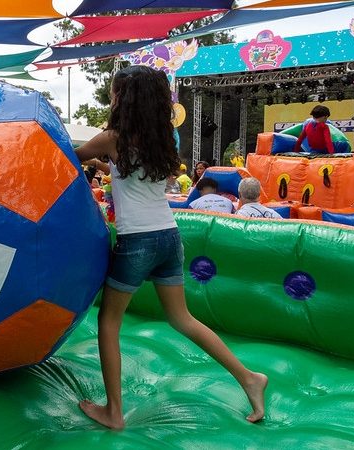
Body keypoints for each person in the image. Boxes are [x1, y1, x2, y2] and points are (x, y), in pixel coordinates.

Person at [75, 65, 267, 430]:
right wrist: (106, 163)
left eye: (114, 92)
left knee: (108, 321)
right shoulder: (161, 138)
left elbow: (73, 156)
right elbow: (132, 175)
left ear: (123, 98)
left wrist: (93, 158)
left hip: (137, 241)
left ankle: (113, 411)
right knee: (182, 319)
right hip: (168, 236)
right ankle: (248, 377)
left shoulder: (111, 137)